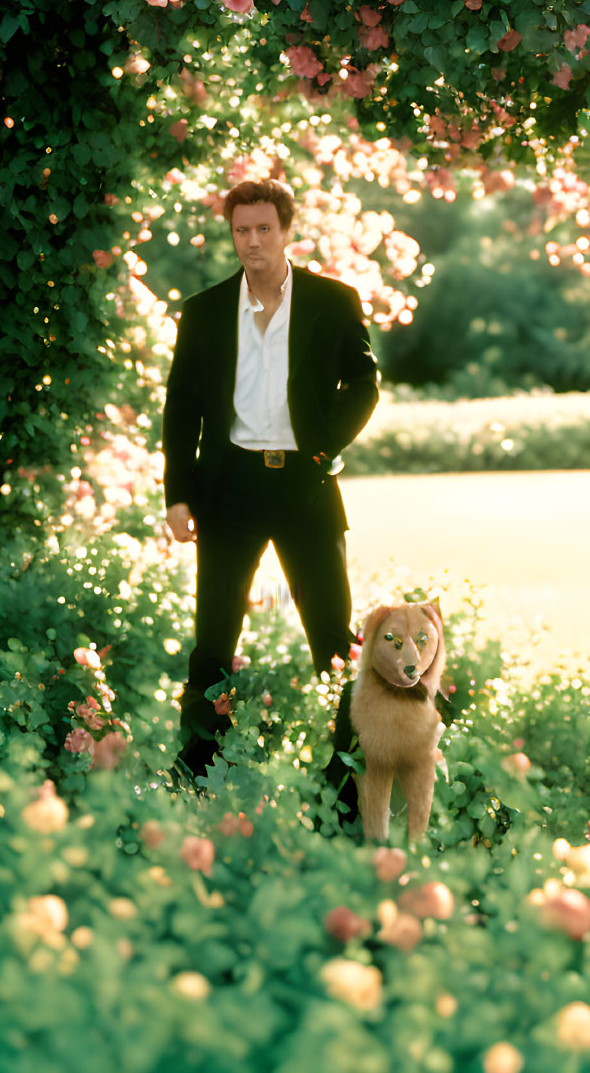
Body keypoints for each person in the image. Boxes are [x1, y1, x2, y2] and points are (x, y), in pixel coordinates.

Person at [158, 179, 380, 786]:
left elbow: (364, 385)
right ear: (232, 233)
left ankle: (347, 779)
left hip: (305, 488)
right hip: (228, 488)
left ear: (286, 230)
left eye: (263, 229)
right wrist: (178, 494)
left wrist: (320, 450)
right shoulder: (204, 310)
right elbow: (180, 406)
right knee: (213, 637)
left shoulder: (333, 300)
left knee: (335, 640)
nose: (252, 241)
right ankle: (198, 771)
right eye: (241, 230)